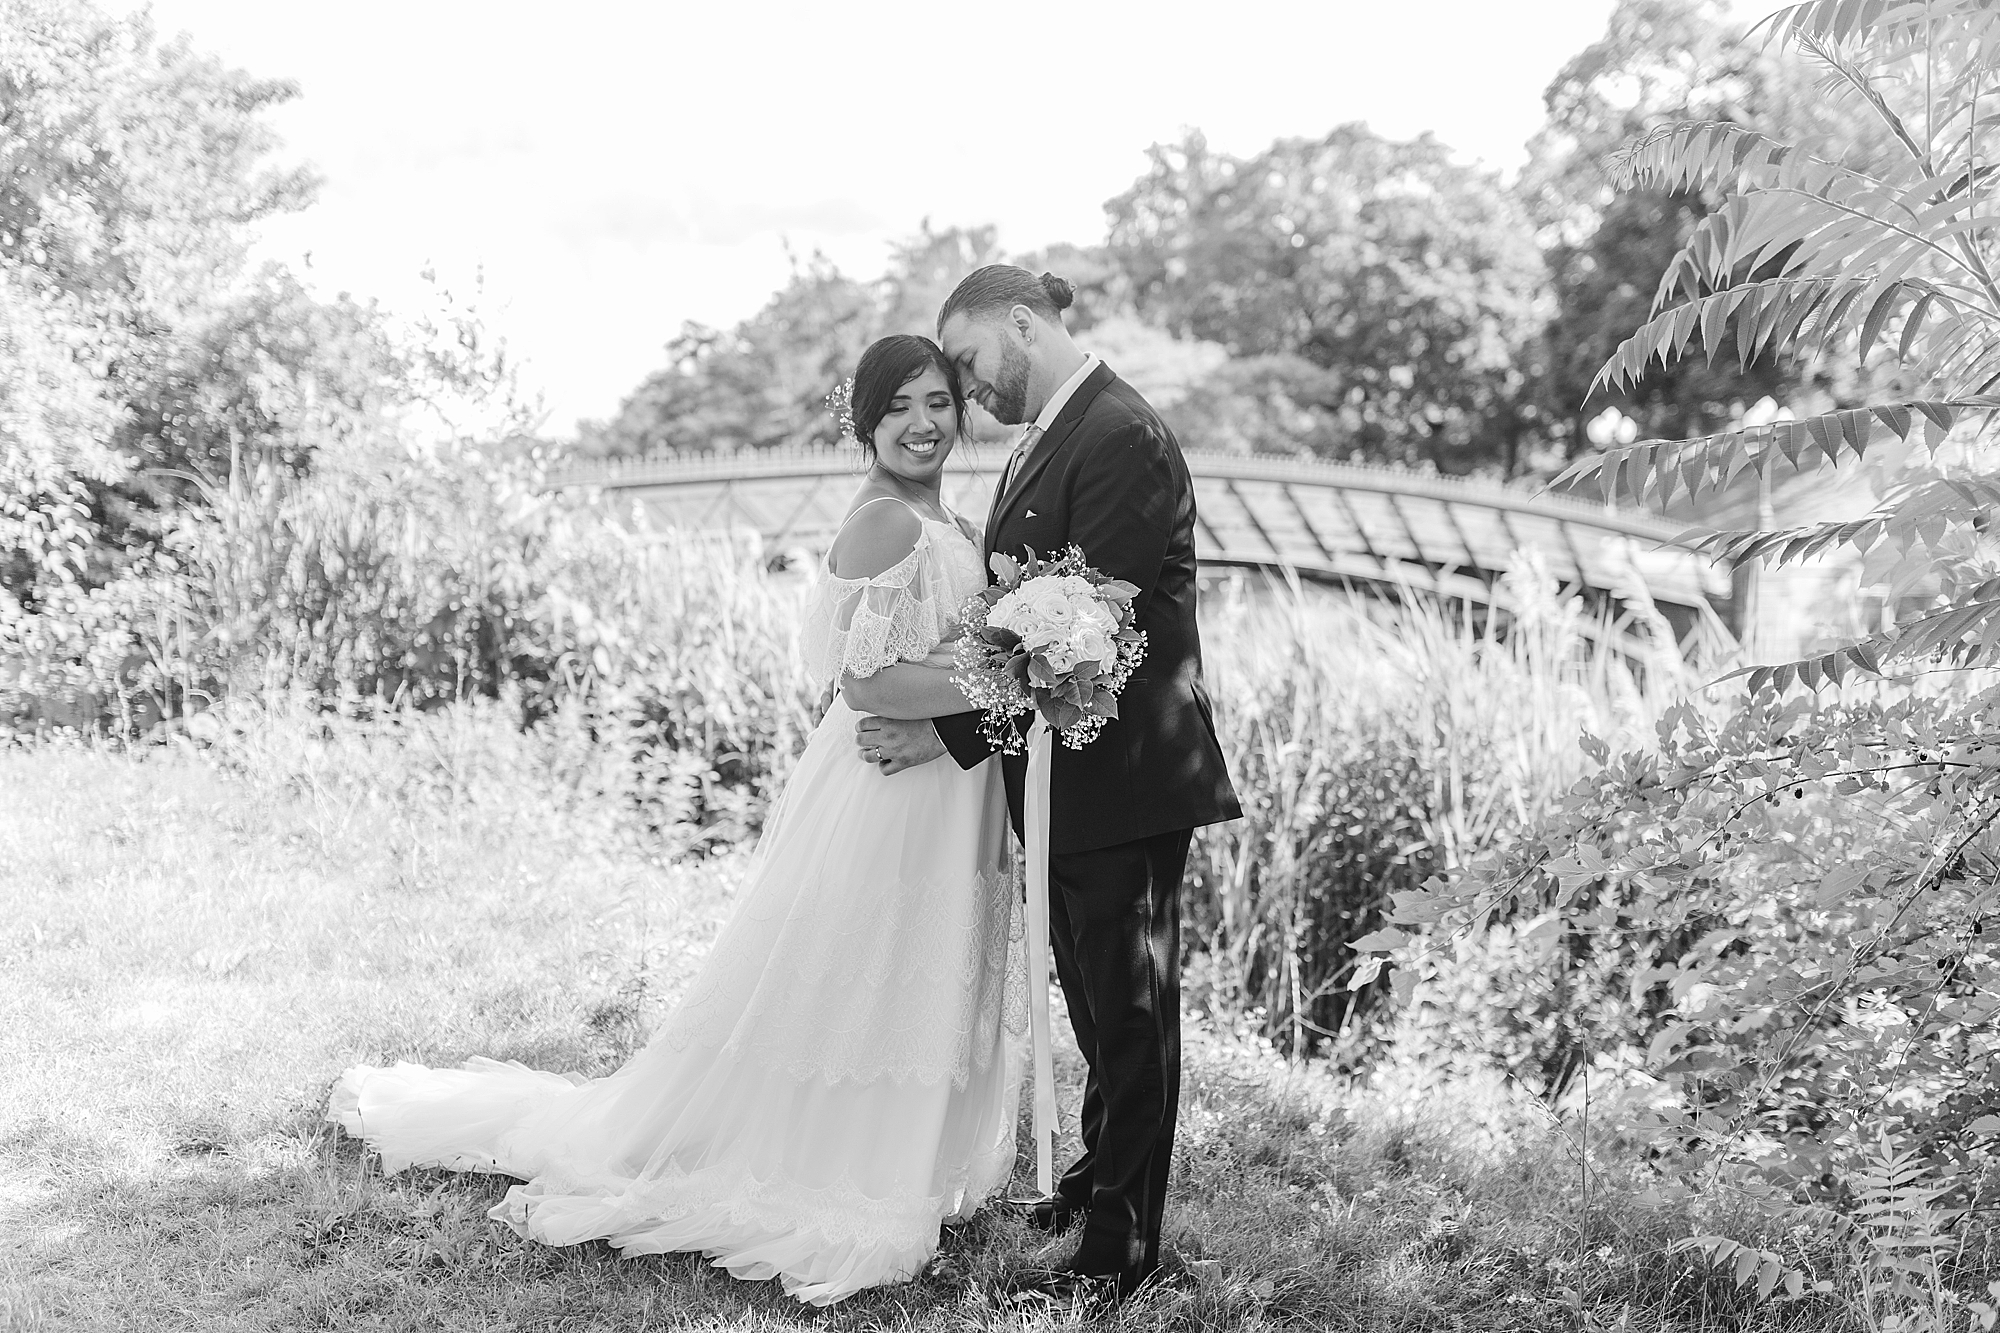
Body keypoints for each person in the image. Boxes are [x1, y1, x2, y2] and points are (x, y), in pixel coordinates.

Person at [326, 334, 1023, 1307]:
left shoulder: (936, 515)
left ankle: (894, 1155)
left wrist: (995, 677)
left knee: (906, 962)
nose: (923, 423)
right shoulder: (885, 525)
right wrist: (1007, 674)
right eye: (900, 405)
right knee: (867, 970)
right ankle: (833, 1166)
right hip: (887, 793)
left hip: (938, 787)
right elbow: (866, 685)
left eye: (939, 402)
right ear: (862, 419)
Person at [856, 266, 1242, 1299]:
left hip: (1127, 780)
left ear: (1018, 323)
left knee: (1129, 1012)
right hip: (1067, 778)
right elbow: (1027, 607)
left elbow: (1082, 626)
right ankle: (1089, 1181)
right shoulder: (1048, 431)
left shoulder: (1119, 433)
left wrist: (949, 735)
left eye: (972, 363)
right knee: (1091, 998)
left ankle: (1120, 1253)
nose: (968, 391)